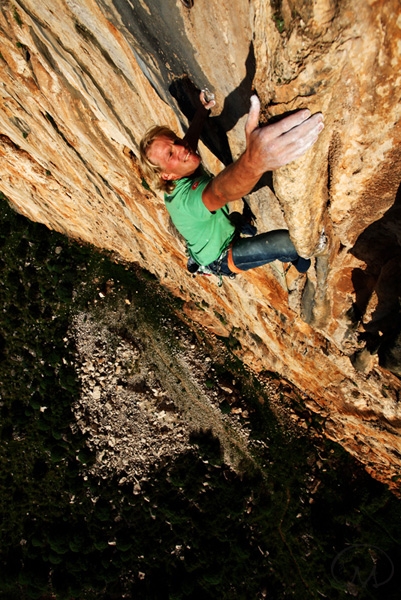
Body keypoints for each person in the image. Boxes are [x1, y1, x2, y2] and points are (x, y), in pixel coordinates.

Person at [139, 91, 325, 282]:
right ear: (167, 176)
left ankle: (242, 226)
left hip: (217, 230)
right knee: (287, 243)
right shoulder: (187, 202)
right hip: (219, 257)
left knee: (236, 220)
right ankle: (303, 263)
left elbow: (189, 142)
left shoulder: (179, 164)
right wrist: (255, 161)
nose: (182, 148)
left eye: (176, 142)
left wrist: (202, 112)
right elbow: (219, 192)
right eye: (170, 154)